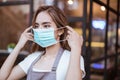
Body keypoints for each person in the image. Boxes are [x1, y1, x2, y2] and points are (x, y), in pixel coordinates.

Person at [0, 6, 85, 80]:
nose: (39, 30)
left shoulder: (73, 58)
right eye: (37, 26)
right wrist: (19, 45)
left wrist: (76, 48)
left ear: (60, 31)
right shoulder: (32, 58)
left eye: (46, 26)